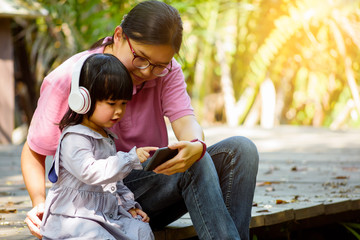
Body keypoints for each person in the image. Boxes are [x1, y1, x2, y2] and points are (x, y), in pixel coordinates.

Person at [22, 1, 259, 239]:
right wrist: (39, 202)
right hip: (96, 202)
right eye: (141, 58)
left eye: (159, 65)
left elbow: (185, 120)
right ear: (118, 36)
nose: (147, 71)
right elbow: (34, 150)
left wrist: (195, 145)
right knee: (197, 164)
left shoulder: (168, 71)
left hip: (145, 199)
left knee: (241, 150)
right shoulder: (70, 78)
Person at [40, 53, 156, 239]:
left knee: (141, 230)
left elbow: (115, 182)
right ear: (83, 99)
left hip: (104, 214)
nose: (119, 111)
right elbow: (90, 172)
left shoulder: (106, 136)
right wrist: (129, 158)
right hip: (76, 217)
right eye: (111, 103)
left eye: (123, 103)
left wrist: (129, 206)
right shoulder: (74, 137)